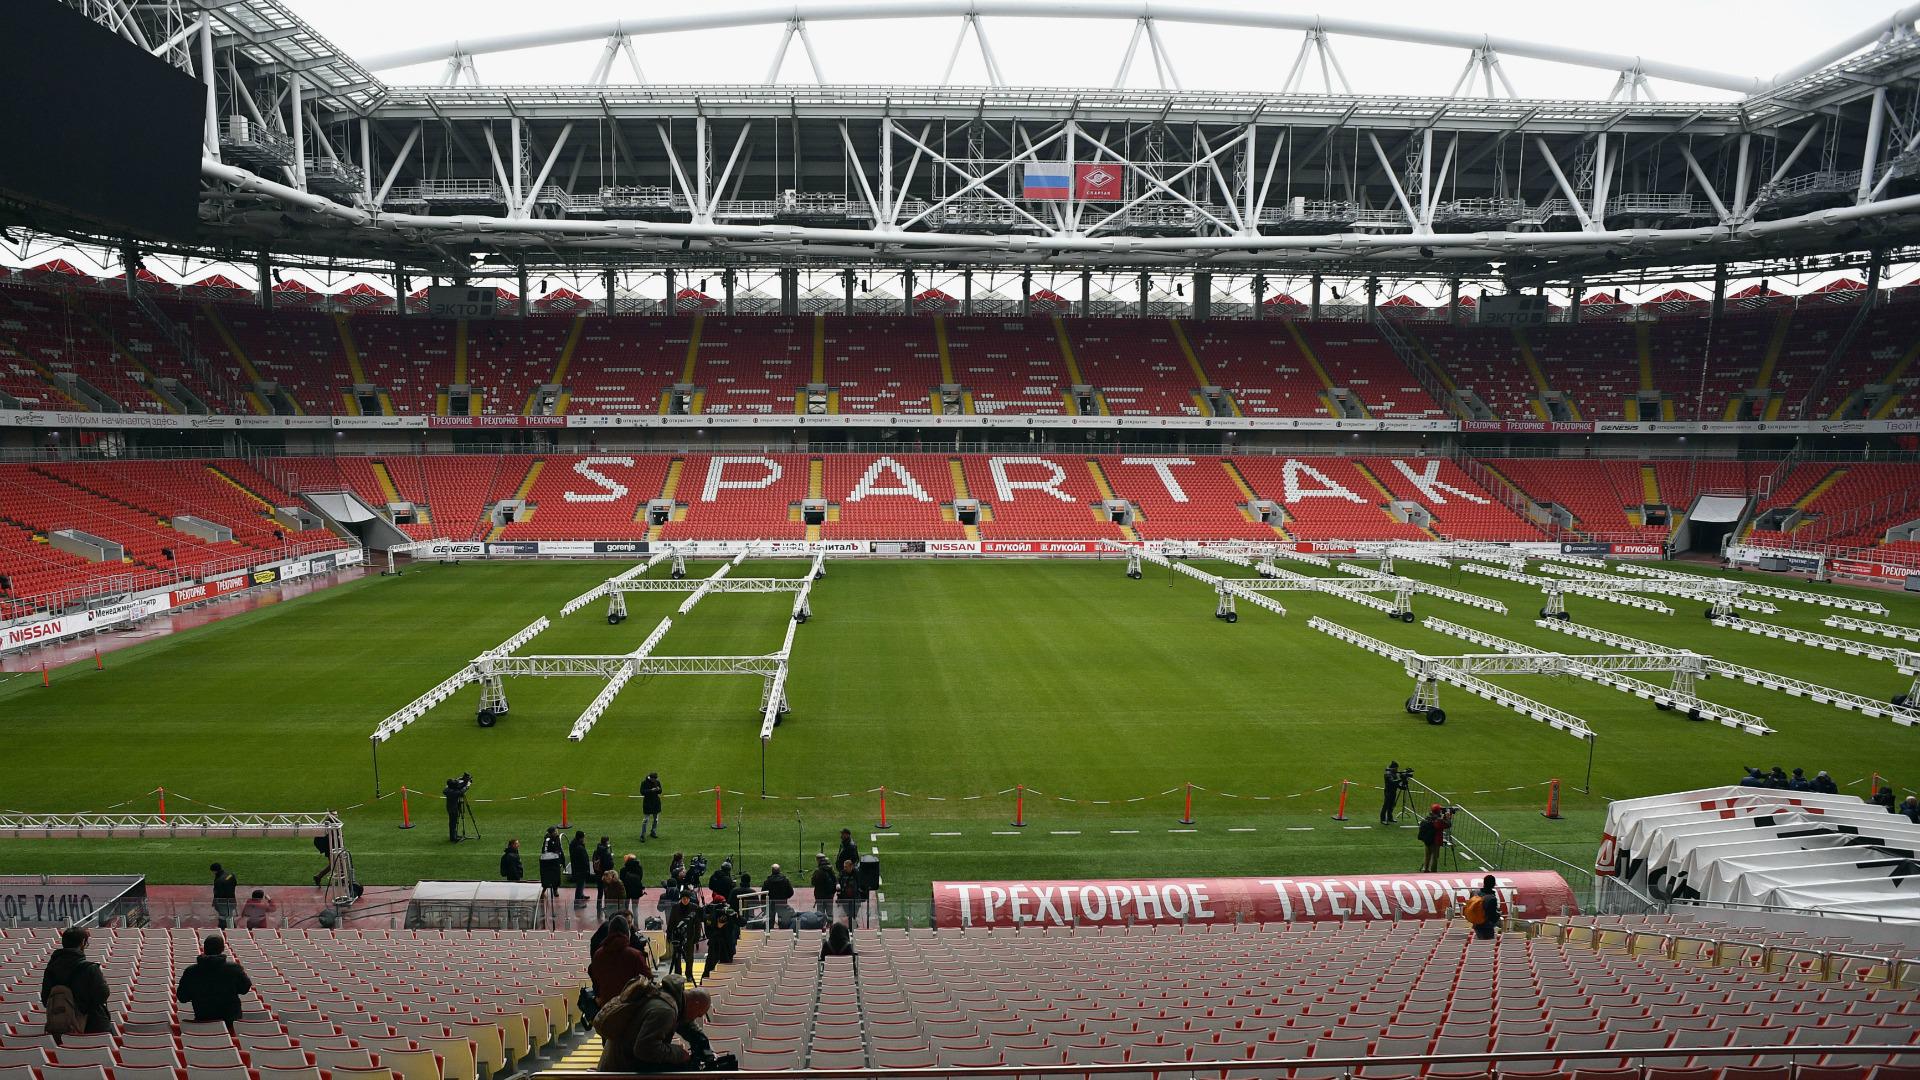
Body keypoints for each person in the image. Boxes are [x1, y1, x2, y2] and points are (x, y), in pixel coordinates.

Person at [594, 975, 713, 1072]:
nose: (696, 1018)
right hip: (620, 1070)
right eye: (698, 1014)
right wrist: (679, 1054)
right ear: (695, 1003)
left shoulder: (668, 996)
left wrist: (700, 1039)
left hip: (620, 1064)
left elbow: (684, 1022)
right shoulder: (666, 1011)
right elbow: (645, 1049)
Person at [41, 926, 112, 1039]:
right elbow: (102, 995)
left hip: (61, 1027)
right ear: (83, 942)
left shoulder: (50, 970)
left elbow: (46, 1000)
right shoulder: (90, 969)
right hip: (93, 1025)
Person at [175, 936, 252, 1029]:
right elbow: (244, 989)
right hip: (231, 1024)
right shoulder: (234, 968)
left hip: (202, 1023)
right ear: (222, 949)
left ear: (204, 949)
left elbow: (182, 997)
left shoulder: (191, 971)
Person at [588, 916, 651, 1006]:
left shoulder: (598, 955)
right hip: (630, 1007)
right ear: (627, 933)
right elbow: (648, 979)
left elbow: (595, 978)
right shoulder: (634, 955)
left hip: (606, 1007)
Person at [665, 892, 702, 981]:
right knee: (677, 957)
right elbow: (671, 922)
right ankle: (678, 975)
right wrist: (669, 935)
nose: (685, 900)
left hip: (689, 935)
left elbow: (698, 924)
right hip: (677, 935)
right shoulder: (675, 907)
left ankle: (689, 974)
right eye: (684, 898)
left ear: (689, 899)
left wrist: (697, 936)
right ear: (681, 899)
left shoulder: (694, 907)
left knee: (689, 957)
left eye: (687, 898)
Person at [701, 902, 739, 979]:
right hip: (714, 946)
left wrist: (736, 916)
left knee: (726, 969)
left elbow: (742, 922)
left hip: (727, 947)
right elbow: (709, 934)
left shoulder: (729, 916)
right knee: (708, 969)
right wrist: (718, 927)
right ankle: (704, 982)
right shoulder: (711, 918)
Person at [1467, 875, 1501, 941]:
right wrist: (1498, 914)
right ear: (1494, 884)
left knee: (1477, 943)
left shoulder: (1475, 893)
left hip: (1476, 925)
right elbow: (1493, 917)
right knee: (1487, 945)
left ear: (1484, 883)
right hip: (1487, 928)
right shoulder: (1492, 898)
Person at [835, 858, 866, 928]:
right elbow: (837, 879)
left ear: (851, 866)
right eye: (844, 867)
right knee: (848, 913)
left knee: (853, 913)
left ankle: (852, 926)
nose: (844, 868)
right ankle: (852, 924)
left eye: (846, 867)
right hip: (845, 898)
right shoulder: (842, 873)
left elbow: (861, 883)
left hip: (855, 897)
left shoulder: (857, 873)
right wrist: (837, 884)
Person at [1417, 805, 1448, 873]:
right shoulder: (1438, 820)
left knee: (1427, 856)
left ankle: (1425, 869)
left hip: (1427, 840)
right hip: (1435, 841)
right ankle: (1433, 872)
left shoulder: (1427, 818)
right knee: (1435, 857)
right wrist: (1447, 818)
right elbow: (1447, 825)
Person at [539, 827, 565, 898]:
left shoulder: (556, 838)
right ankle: (543, 891)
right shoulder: (547, 840)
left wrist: (561, 860)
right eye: (555, 831)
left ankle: (555, 890)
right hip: (549, 862)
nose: (557, 832)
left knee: (555, 877)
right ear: (552, 833)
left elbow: (559, 849)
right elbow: (551, 850)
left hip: (554, 860)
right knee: (547, 877)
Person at [210, 864, 238, 929]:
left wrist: (215, 903)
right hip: (232, 900)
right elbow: (234, 884)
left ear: (215, 871)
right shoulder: (230, 875)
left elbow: (218, 894)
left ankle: (224, 929)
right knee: (230, 916)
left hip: (223, 902)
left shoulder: (219, 881)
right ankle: (232, 928)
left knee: (223, 917)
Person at [809, 853, 836, 922]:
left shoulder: (818, 871)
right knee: (830, 912)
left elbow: (813, 882)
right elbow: (835, 881)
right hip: (829, 895)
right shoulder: (831, 869)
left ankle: (821, 925)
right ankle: (830, 925)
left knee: (820, 914)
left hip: (820, 895)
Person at [570, 830, 593, 905]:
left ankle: (581, 895)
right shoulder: (579, 848)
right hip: (581, 870)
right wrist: (587, 870)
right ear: (580, 838)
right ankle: (577, 903)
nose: (584, 838)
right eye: (583, 837)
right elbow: (584, 860)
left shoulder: (573, 844)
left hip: (577, 868)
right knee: (580, 885)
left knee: (581, 884)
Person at [593, 836, 616, 912]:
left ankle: (598, 907)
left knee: (600, 892)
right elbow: (610, 865)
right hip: (605, 875)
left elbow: (594, 861)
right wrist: (611, 858)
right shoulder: (606, 853)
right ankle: (606, 907)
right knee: (607, 892)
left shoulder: (596, 851)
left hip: (598, 874)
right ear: (606, 842)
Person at [640, 772, 664, 841]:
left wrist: (658, 789)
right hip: (647, 803)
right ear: (650, 778)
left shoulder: (657, 782)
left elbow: (660, 791)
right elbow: (642, 792)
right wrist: (651, 790)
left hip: (656, 803)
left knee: (656, 819)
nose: (655, 781)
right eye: (654, 779)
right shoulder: (644, 783)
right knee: (645, 820)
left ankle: (653, 832)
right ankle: (642, 835)